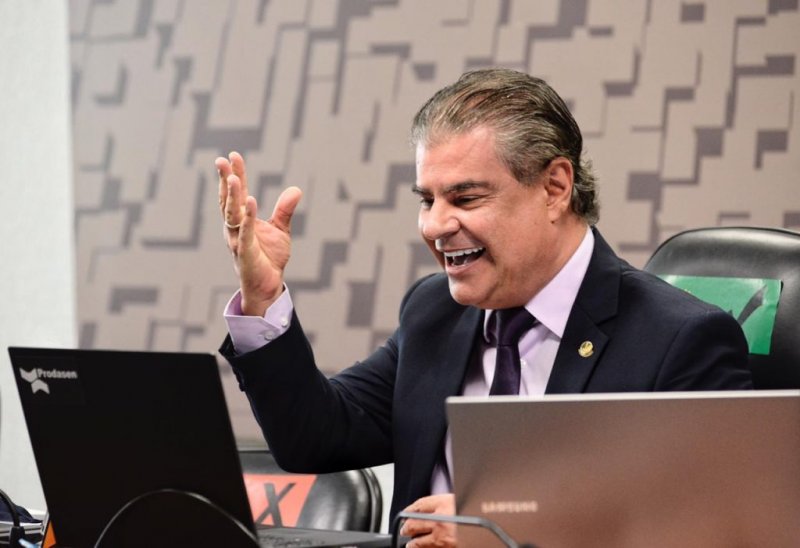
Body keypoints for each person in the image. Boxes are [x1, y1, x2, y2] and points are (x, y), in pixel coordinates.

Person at [216, 68, 752, 547]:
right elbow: (315, 438)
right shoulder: (434, 311)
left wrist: (507, 529)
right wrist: (263, 297)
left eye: (466, 198)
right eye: (427, 199)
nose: (434, 225)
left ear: (555, 187)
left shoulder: (677, 339)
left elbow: (710, 529)